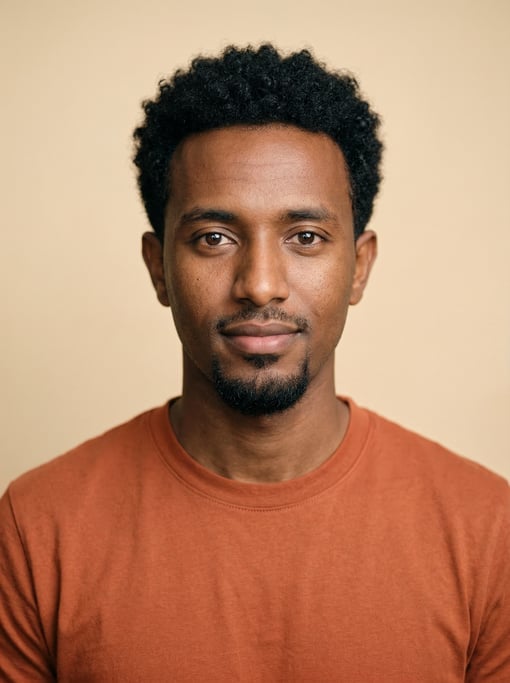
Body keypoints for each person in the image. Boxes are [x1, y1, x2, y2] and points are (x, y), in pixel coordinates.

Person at [0, 44, 508, 682]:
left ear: (360, 265)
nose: (261, 284)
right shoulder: (38, 526)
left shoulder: (487, 529)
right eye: (214, 238)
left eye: (305, 237)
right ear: (159, 267)